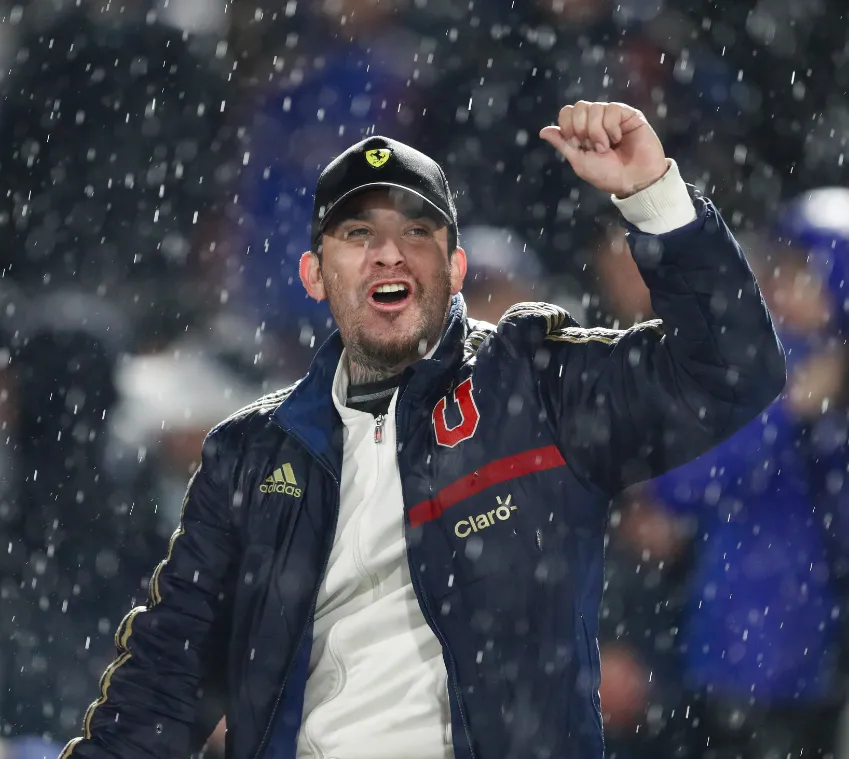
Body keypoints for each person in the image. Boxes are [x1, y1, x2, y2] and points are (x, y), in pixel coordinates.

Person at [60, 101, 785, 759]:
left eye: (416, 229)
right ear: (314, 274)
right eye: (357, 233)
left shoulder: (530, 385)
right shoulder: (249, 454)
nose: (388, 252)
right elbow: (163, 677)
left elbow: (729, 371)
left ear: (455, 267)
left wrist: (652, 195)